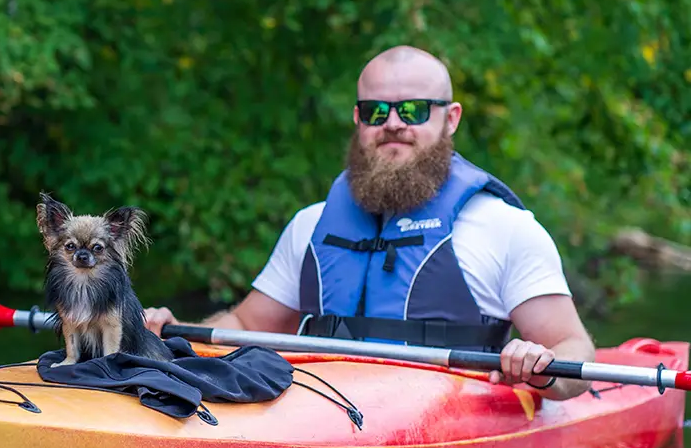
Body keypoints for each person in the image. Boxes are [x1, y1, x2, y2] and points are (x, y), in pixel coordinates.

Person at [144, 45, 596, 401]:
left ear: (451, 118)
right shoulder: (311, 225)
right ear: (359, 120)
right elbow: (242, 324)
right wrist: (174, 335)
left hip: (447, 423)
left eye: (414, 110)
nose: (393, 124)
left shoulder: (505, 228)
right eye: (376, 112)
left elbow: (573, 350)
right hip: (318, 408)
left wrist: (537, 364)